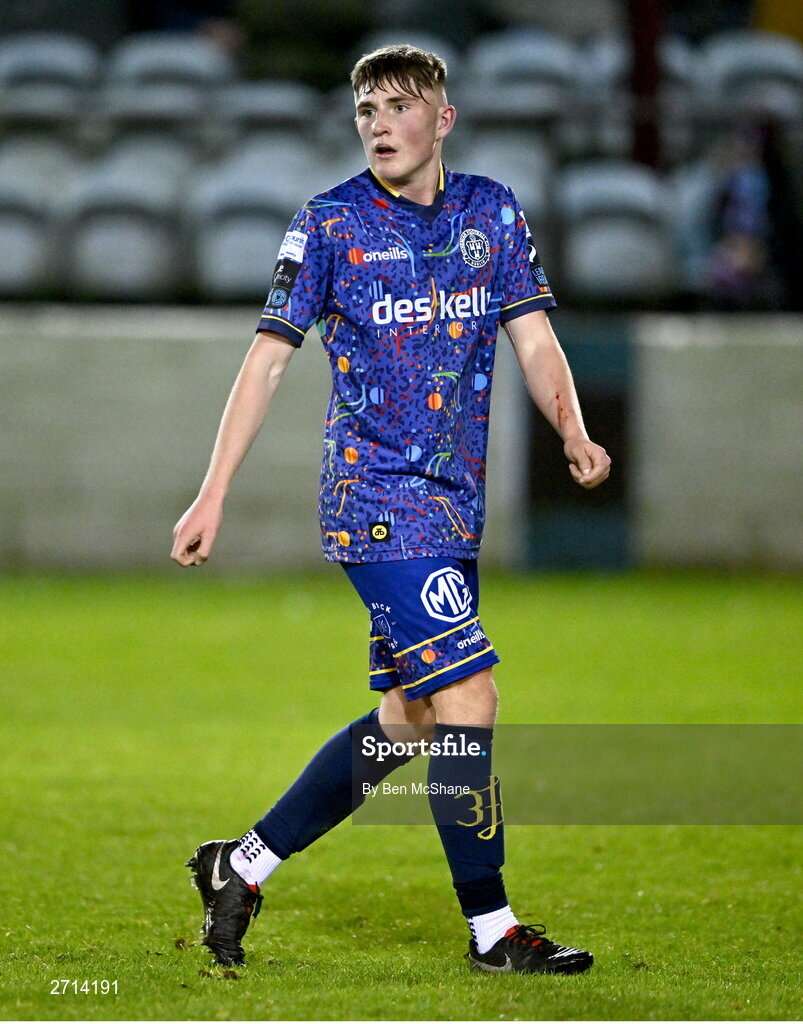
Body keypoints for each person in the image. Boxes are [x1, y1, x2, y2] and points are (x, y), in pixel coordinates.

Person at [171, 44, 610, 975]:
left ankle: (238, 866)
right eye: (365, 106)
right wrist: (213, 490)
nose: (376, 121)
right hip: (371, 499)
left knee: (411, 717)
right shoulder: (327, 225)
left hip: (452, 507)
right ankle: (493, 933)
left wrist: (571, 430)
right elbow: (269, 358)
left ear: (440, 119)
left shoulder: (490, 213)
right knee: (469, 699)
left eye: (397, 105)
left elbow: (534, 339)